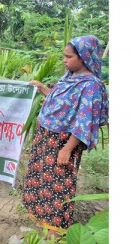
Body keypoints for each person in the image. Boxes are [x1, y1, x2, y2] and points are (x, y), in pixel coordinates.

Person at [22, 35, 108, 239]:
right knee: (43, 178)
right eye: (64, 56)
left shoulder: (91, 86)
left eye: (69, 57)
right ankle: (43, 217)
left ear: (84, 57)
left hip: (63, 142)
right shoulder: (69, 77)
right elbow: (62, 104)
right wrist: (43, 89)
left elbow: (84, 120)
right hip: (46, 138)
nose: (64, 60)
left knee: (59, 184)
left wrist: (68, 148)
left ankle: (55, 229)